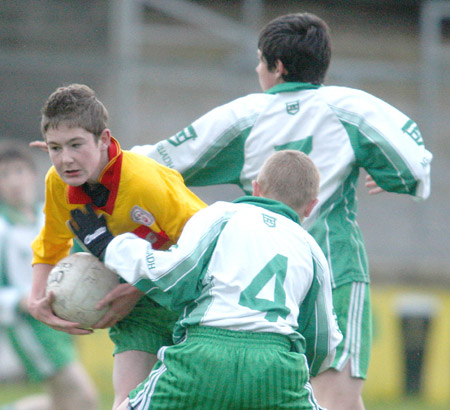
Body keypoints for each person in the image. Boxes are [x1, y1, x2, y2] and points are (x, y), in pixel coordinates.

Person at [128, 12, 433, 410]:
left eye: (260, 61)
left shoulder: (243, 115)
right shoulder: (354, 107)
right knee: (337, 399)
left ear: (278, 67)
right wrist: (399, 180)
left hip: (257, 278)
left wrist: (93, 157)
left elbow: (154, 165)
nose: (257, 69)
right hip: (334, 267)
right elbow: (413, 165)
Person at [68, 150, 342, 410]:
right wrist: (300, 371)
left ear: (256, 188)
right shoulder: (312, 249)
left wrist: (107, 245)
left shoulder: (219, 216)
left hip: (204, 354)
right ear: (311, 207)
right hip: (276, 363)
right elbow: (322, 337)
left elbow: (174, 276)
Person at [28, 84, 207, 409]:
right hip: (139, 314)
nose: (65, 159)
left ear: (104, 140)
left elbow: (205, 248)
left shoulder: (145, 183)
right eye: (55, 147)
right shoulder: (58, 182)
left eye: (76, 144)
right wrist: (36, 299)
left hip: (192, 302)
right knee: (127, 403)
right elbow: (51, 244)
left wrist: (139, 285)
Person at [0, 142, 98, 410]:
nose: (13, 181)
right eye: (4, 175)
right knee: (84, 399)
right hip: (30, 326)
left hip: (64, 317)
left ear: (33, 174)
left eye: (19, 171)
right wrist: (21, 299)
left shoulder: (50, 215)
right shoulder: (2, 231)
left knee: (62, 402)